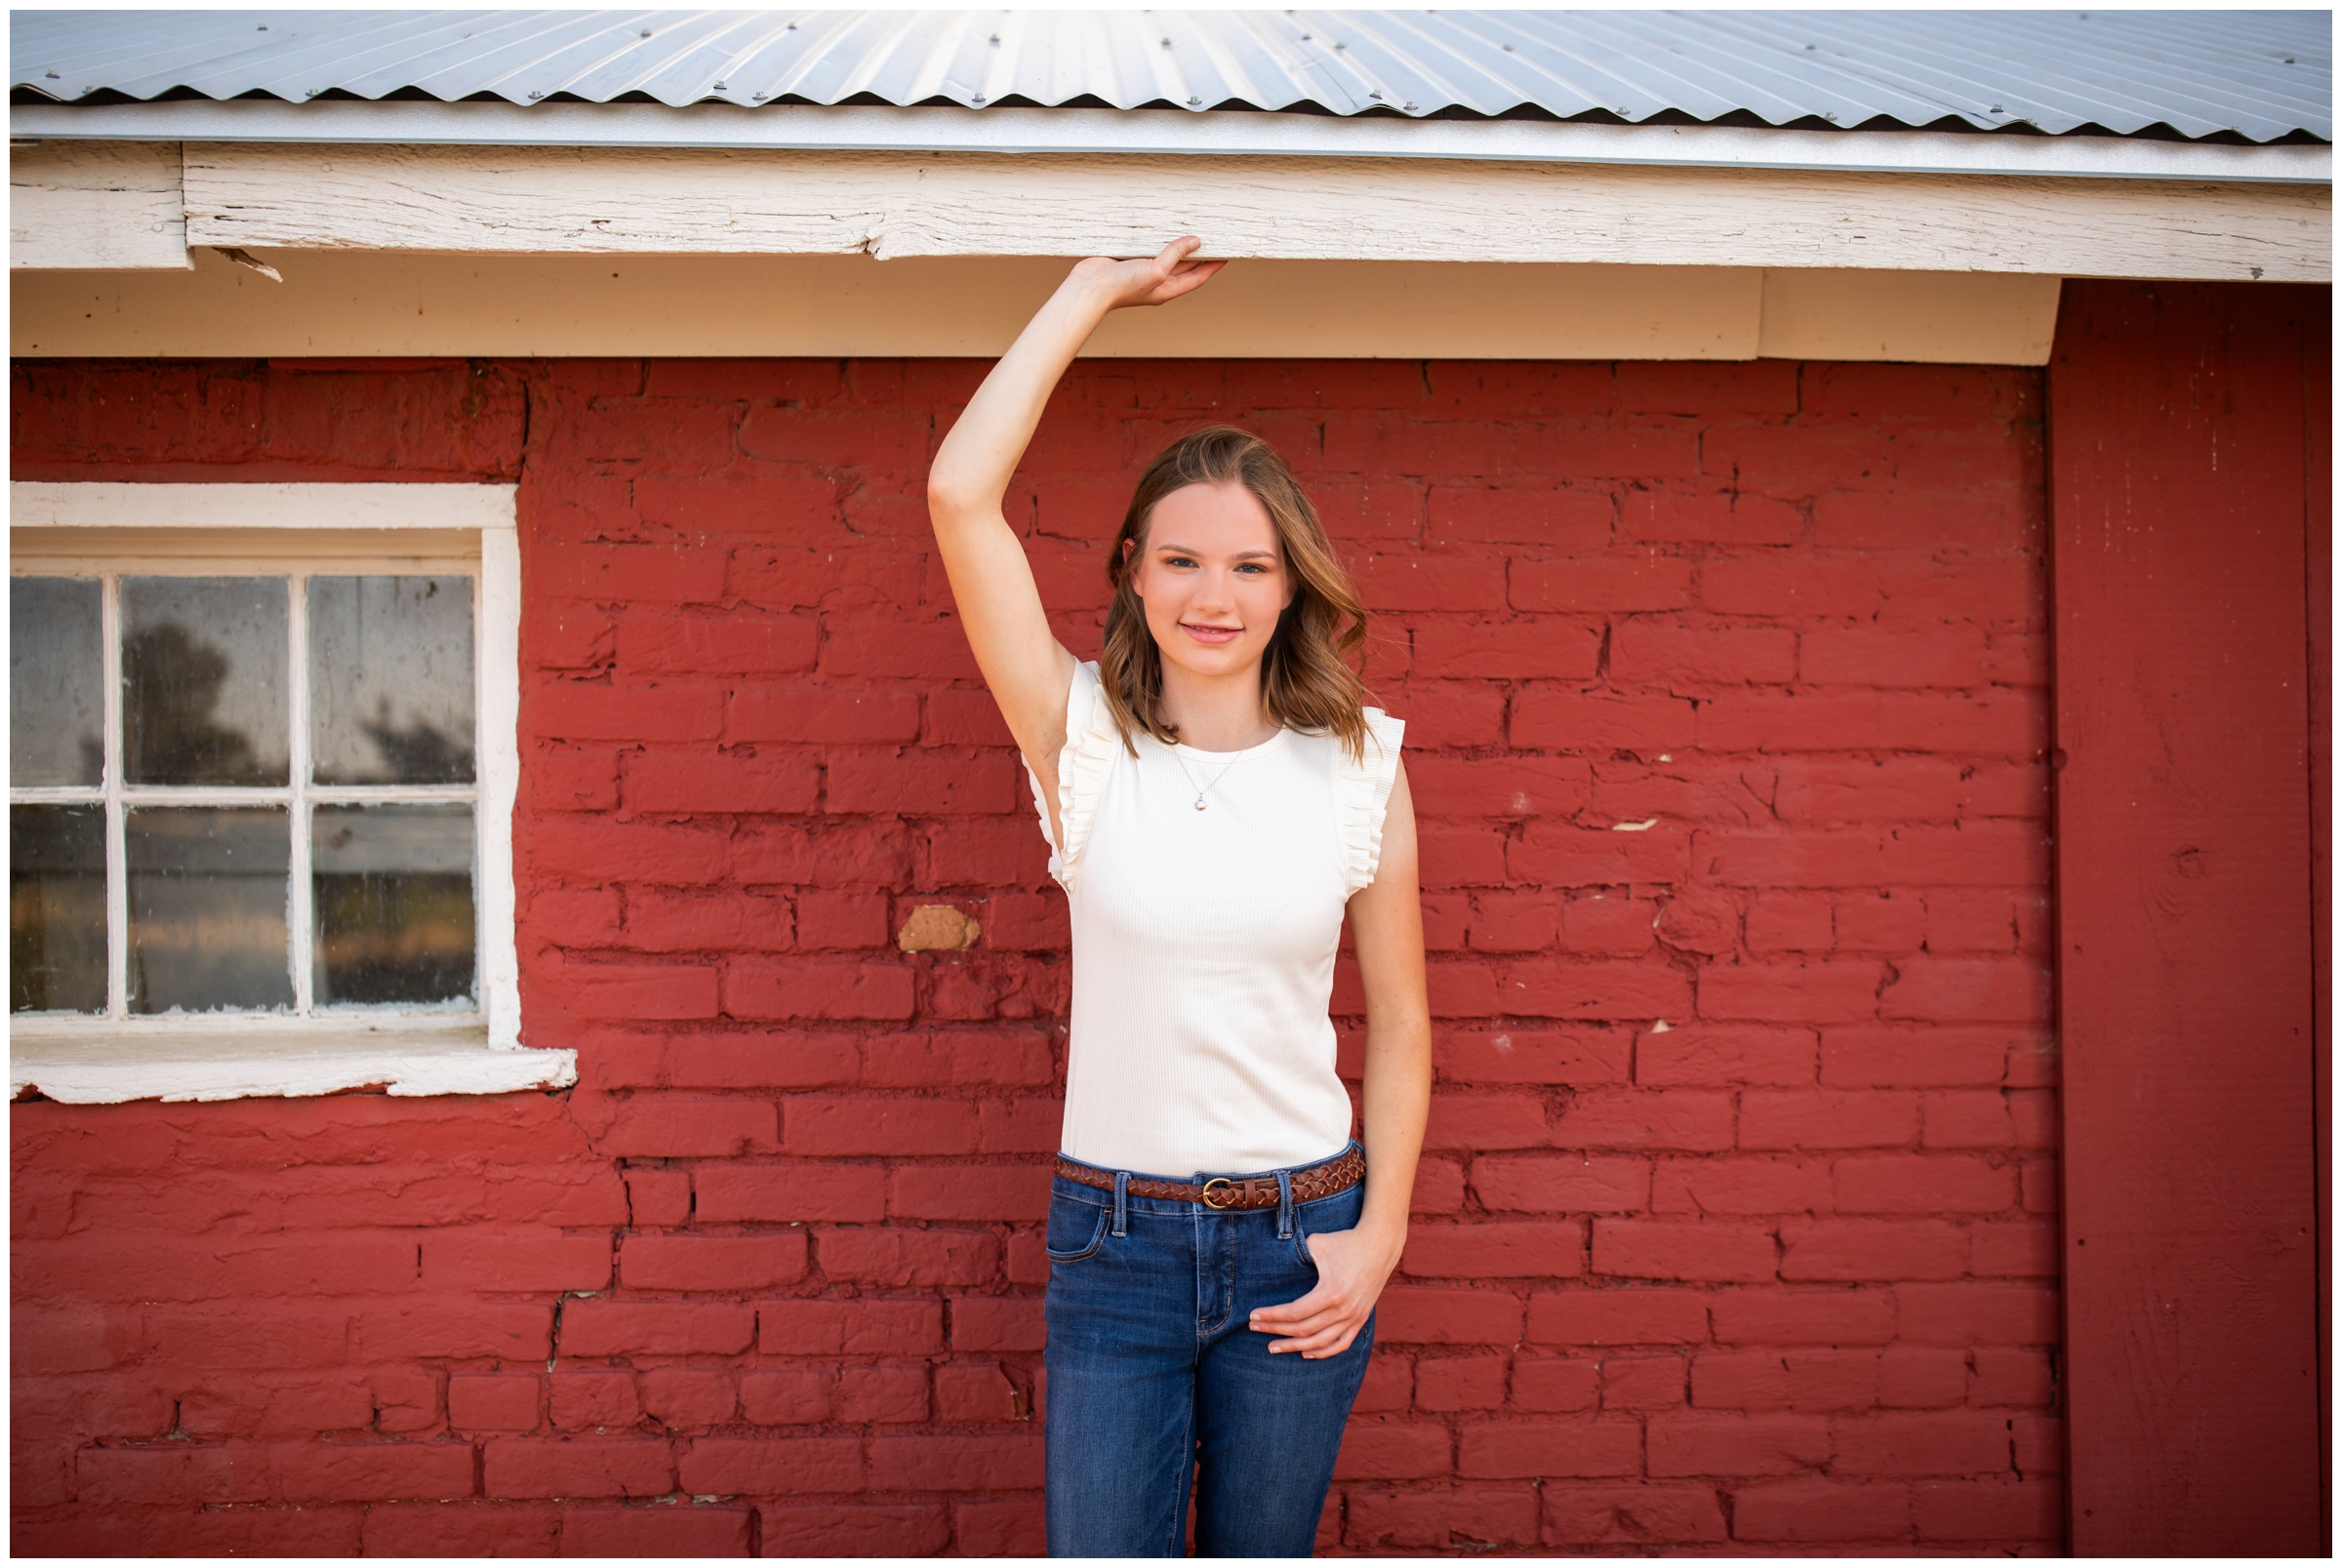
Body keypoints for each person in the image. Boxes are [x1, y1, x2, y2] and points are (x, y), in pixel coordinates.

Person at [925, 237, 1433, 1558]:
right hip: (1116, 1250)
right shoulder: (1080, 738)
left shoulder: (1361, 764)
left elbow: (1403, 1020)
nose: (1217, 594)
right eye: (1184, 562)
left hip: (1301, 1238)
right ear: (1135, 578)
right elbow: (957, 495)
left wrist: (1377, 1239)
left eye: (1252, 566)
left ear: (1292, 584)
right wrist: (1090, 295)